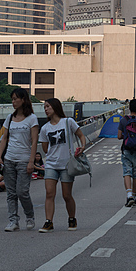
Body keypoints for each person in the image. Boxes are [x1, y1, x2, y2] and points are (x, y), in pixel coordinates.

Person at [37, 98, 86, 232]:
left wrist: (82, 147)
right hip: (51, 164)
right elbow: (45, 149)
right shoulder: (45, 128)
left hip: (66, 164)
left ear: (55, 107)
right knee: (49, 193)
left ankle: (72, 218)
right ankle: (48, 221)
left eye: (48, 106)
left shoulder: (68, 122)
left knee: (66, 195)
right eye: (44, 107)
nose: (46, 109)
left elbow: (81, 135)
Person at [0, 87, 39, 231]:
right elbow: (4, 139)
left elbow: (34, 141)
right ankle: (13, 221)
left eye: (15, 99)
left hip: (24, 160)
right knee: (11, 193)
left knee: (22, 192)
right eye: (12, 99)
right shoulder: (10, 118)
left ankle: (30, 216)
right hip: (9, 159)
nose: (13, 102)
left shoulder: (32, 118)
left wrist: (31, 161)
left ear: (23, 99)